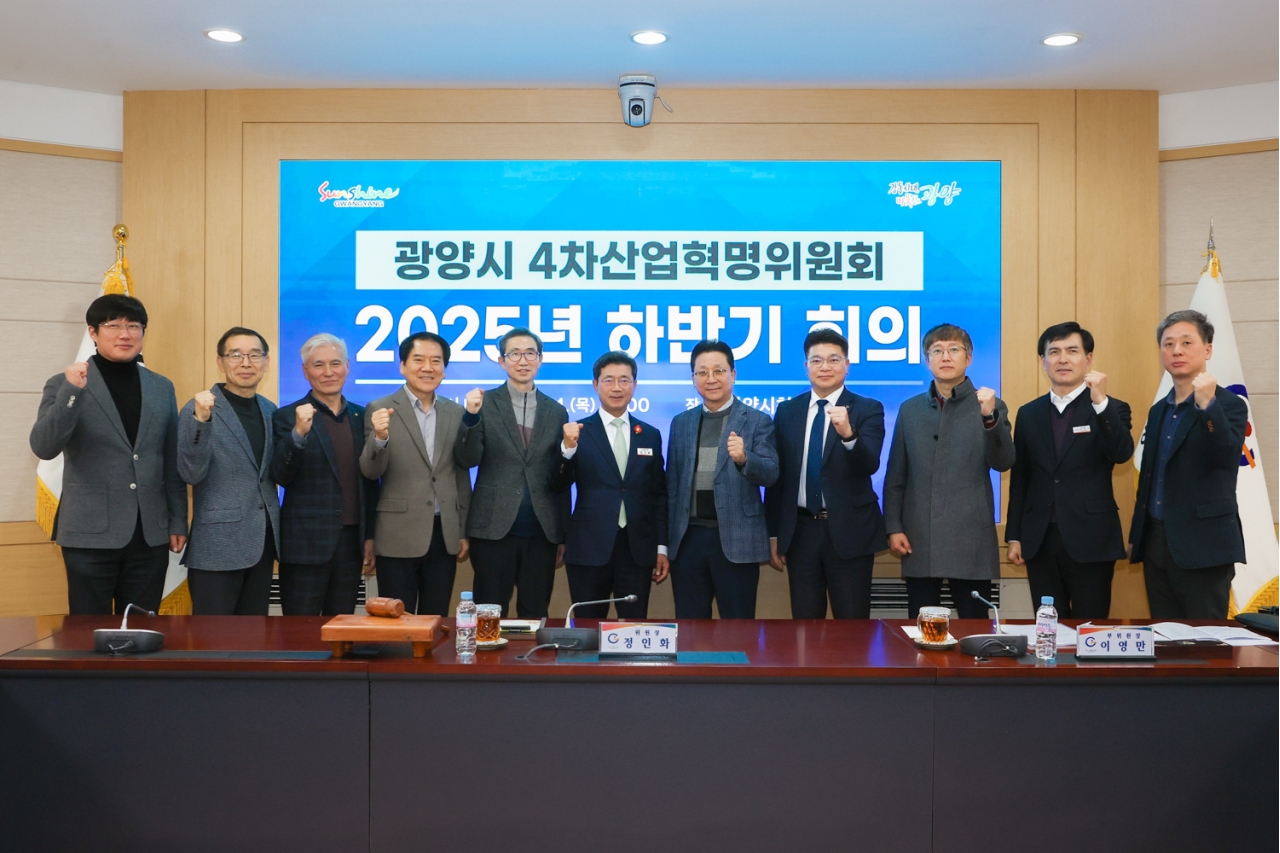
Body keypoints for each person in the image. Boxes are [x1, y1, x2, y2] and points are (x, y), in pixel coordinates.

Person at [29, 294, 187, 615]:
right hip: (89, 534)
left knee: (141, 629)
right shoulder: (64, 384)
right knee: (88, 631)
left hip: (149, 534)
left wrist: (177, 520)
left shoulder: (161, 387)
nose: (125, 334)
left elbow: (170, 460)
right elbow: (44, 446)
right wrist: (72, 392)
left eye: (134, 326)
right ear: (93, 332)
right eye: (113, 326)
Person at [883, 323, 1014, 619]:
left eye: (954, 349)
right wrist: (893, 527)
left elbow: (1004, 461)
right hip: (919, 538)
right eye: (937, 350)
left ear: (969, 358)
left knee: (975, 630)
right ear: (926, 360)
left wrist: (990, 418)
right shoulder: (910, 409)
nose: (945, 356)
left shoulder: (990, 405)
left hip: (971, 539)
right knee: (922, 630)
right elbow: (896, 475)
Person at [1006, 322, 1133, 619]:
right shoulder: (1028, 413)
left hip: (1092, 538)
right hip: (1039, 539)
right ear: (1043, 361)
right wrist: (1015, 536)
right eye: (1054, 352)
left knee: (1090, 626)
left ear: (1088, 358)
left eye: (1072, 351)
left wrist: (1100, 402)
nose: (1063, 359)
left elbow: (1122, 453)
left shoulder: (1111, 408)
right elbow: (1020, 478)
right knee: (1049, 627)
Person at [1130, 310, 1247, 619]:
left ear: (1207, 349)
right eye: (1168, 344)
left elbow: (1226, 457)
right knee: (1163, 636)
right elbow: (1150, 477)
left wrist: (1207, 406)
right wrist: (1137, 536)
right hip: (1156, 543)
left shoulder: (1229, 405)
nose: (1176, 351)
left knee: (1205, 639)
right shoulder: (1158, 410)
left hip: (1204, 546)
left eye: (1186, 342)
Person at [766, 329, 886, 619]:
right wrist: (773, 533)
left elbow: (869, 464)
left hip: (850, 531)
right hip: (801, 532)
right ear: (806, 366)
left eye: (834, 359)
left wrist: (848, 434)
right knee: (805, 625)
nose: (825, 367)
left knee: (852, 625)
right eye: (816, 360)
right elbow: (777, 478)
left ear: (847, 365)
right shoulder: (787, 411)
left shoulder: (868, 408)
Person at [455, 328, 568, 618]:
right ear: (501, 361)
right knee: (489, 614)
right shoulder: (484, 404)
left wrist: (561, 534)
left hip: (541, 531)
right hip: (493, 530)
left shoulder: (556, 412)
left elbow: (561, 479)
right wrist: (470, 417)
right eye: (514, 354)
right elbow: (467, 459)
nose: (523, 360)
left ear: (540, 359)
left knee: (535, 612)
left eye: (530, 353)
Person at [359, 332, 471, 616]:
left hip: (443, 533)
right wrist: (380, 437)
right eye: (418, 359)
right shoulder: (380, 408)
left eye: (436, 361)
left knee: (436, 618)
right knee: (397, 619)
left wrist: (462, 530)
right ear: (403, 366)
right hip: (397, 534)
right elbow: (370, 472)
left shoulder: (456, 413)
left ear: (444, 368)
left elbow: (460, 475)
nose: (427, 368)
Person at [666, 340, 778, 618]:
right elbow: (672, 485)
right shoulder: (681, 422)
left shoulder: (757, 420)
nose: (711, 379)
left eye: (719, 371)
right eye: (702, 372)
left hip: (737, 539)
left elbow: (771, 474)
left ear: (733, 374)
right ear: (693, 378)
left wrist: (745, 458)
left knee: (738, 627)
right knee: (690, 627)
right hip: (688, 540)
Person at [554, 351, 668, 619]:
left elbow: (659, 495)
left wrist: (661, 547)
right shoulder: (577, 432)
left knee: (634, 627)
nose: (617, 387)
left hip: (637, 549)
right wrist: (567, 449)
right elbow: (557, 485)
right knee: (587, 628)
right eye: (608, 380)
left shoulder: (649, 435)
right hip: (588, 547)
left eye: (624, 380)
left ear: (634, 385)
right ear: (595, 385)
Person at [272, 333, 378, 616]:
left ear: (348, 366)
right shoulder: (287, 416)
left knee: (341, 630)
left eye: (335, 363)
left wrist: (370, 536)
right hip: (305, 546)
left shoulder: (362, 416)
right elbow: (281, 474)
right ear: (305, 371)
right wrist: (298, 433)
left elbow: (370, 482)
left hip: (351, 544)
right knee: (299, 632)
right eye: (318, 365)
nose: (328, 372)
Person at [177, 327, 281, 615]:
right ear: (220, 362)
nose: (245, 363)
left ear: (266, 362)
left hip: (262, 544)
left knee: (254, 635)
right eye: (235, 355)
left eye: (254, 355)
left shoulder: (270, 410)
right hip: (217, 547)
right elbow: (190, 473)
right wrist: (201, 421)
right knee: (213, 637)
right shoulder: (198, 408)